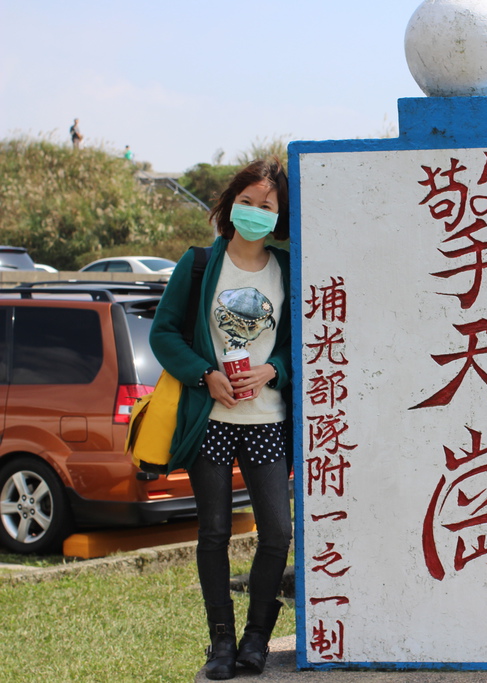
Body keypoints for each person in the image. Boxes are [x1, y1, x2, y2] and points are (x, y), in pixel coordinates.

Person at [150, 158, 292, 680]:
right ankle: (221, 645)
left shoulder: (287, 269)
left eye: (266, 206)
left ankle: (257, 639)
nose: (254, 213)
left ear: (279, 218)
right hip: (209, 419)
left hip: (266, 420)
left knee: (277, 532)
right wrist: (203, 373)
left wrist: (272, 370)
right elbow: (164, 334)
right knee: (212, 534)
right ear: (230, 205)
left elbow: (299, 343)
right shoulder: (197, 264)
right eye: (247, 202)